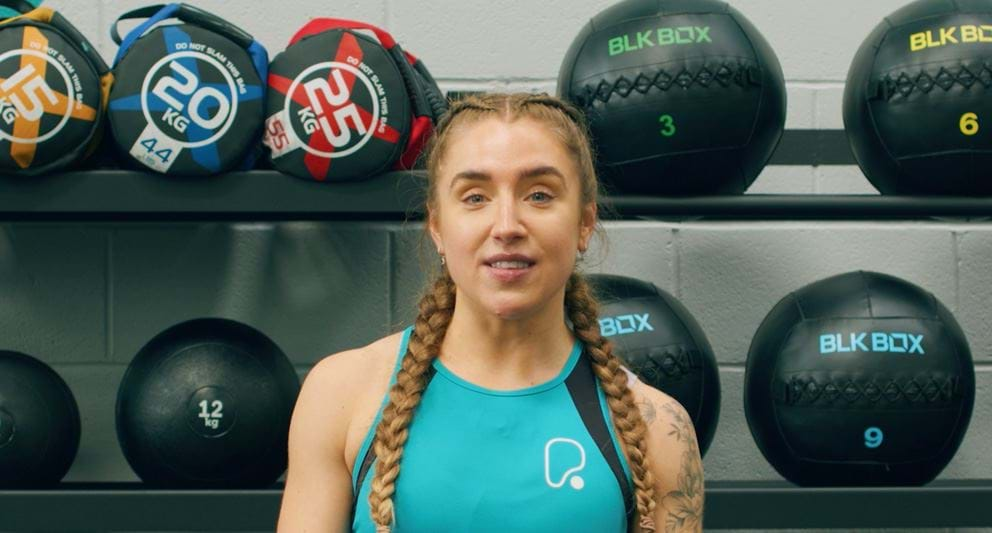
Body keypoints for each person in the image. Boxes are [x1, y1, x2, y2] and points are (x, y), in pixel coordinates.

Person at [277, 93, 704, 533]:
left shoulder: (657, 430)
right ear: (437, 227)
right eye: (475, 197)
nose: (506, 226)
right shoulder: (341, 395)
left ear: (584, 224)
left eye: (539, 195)